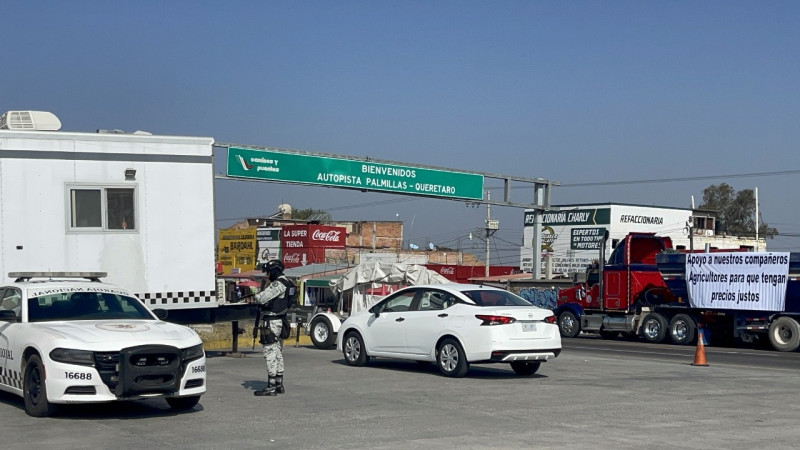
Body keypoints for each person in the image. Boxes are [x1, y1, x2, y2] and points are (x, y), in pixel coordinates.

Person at [252, 259, 293, 396]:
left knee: (270, 352)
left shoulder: (278, 284)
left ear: (274, 271)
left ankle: (271, 386)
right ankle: (279, 383)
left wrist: (257, 295)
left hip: (272, 321)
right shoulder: (289, 283)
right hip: (281, 320)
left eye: (269, 272)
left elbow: (262, 298)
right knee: (278, 352)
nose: (268, 275)